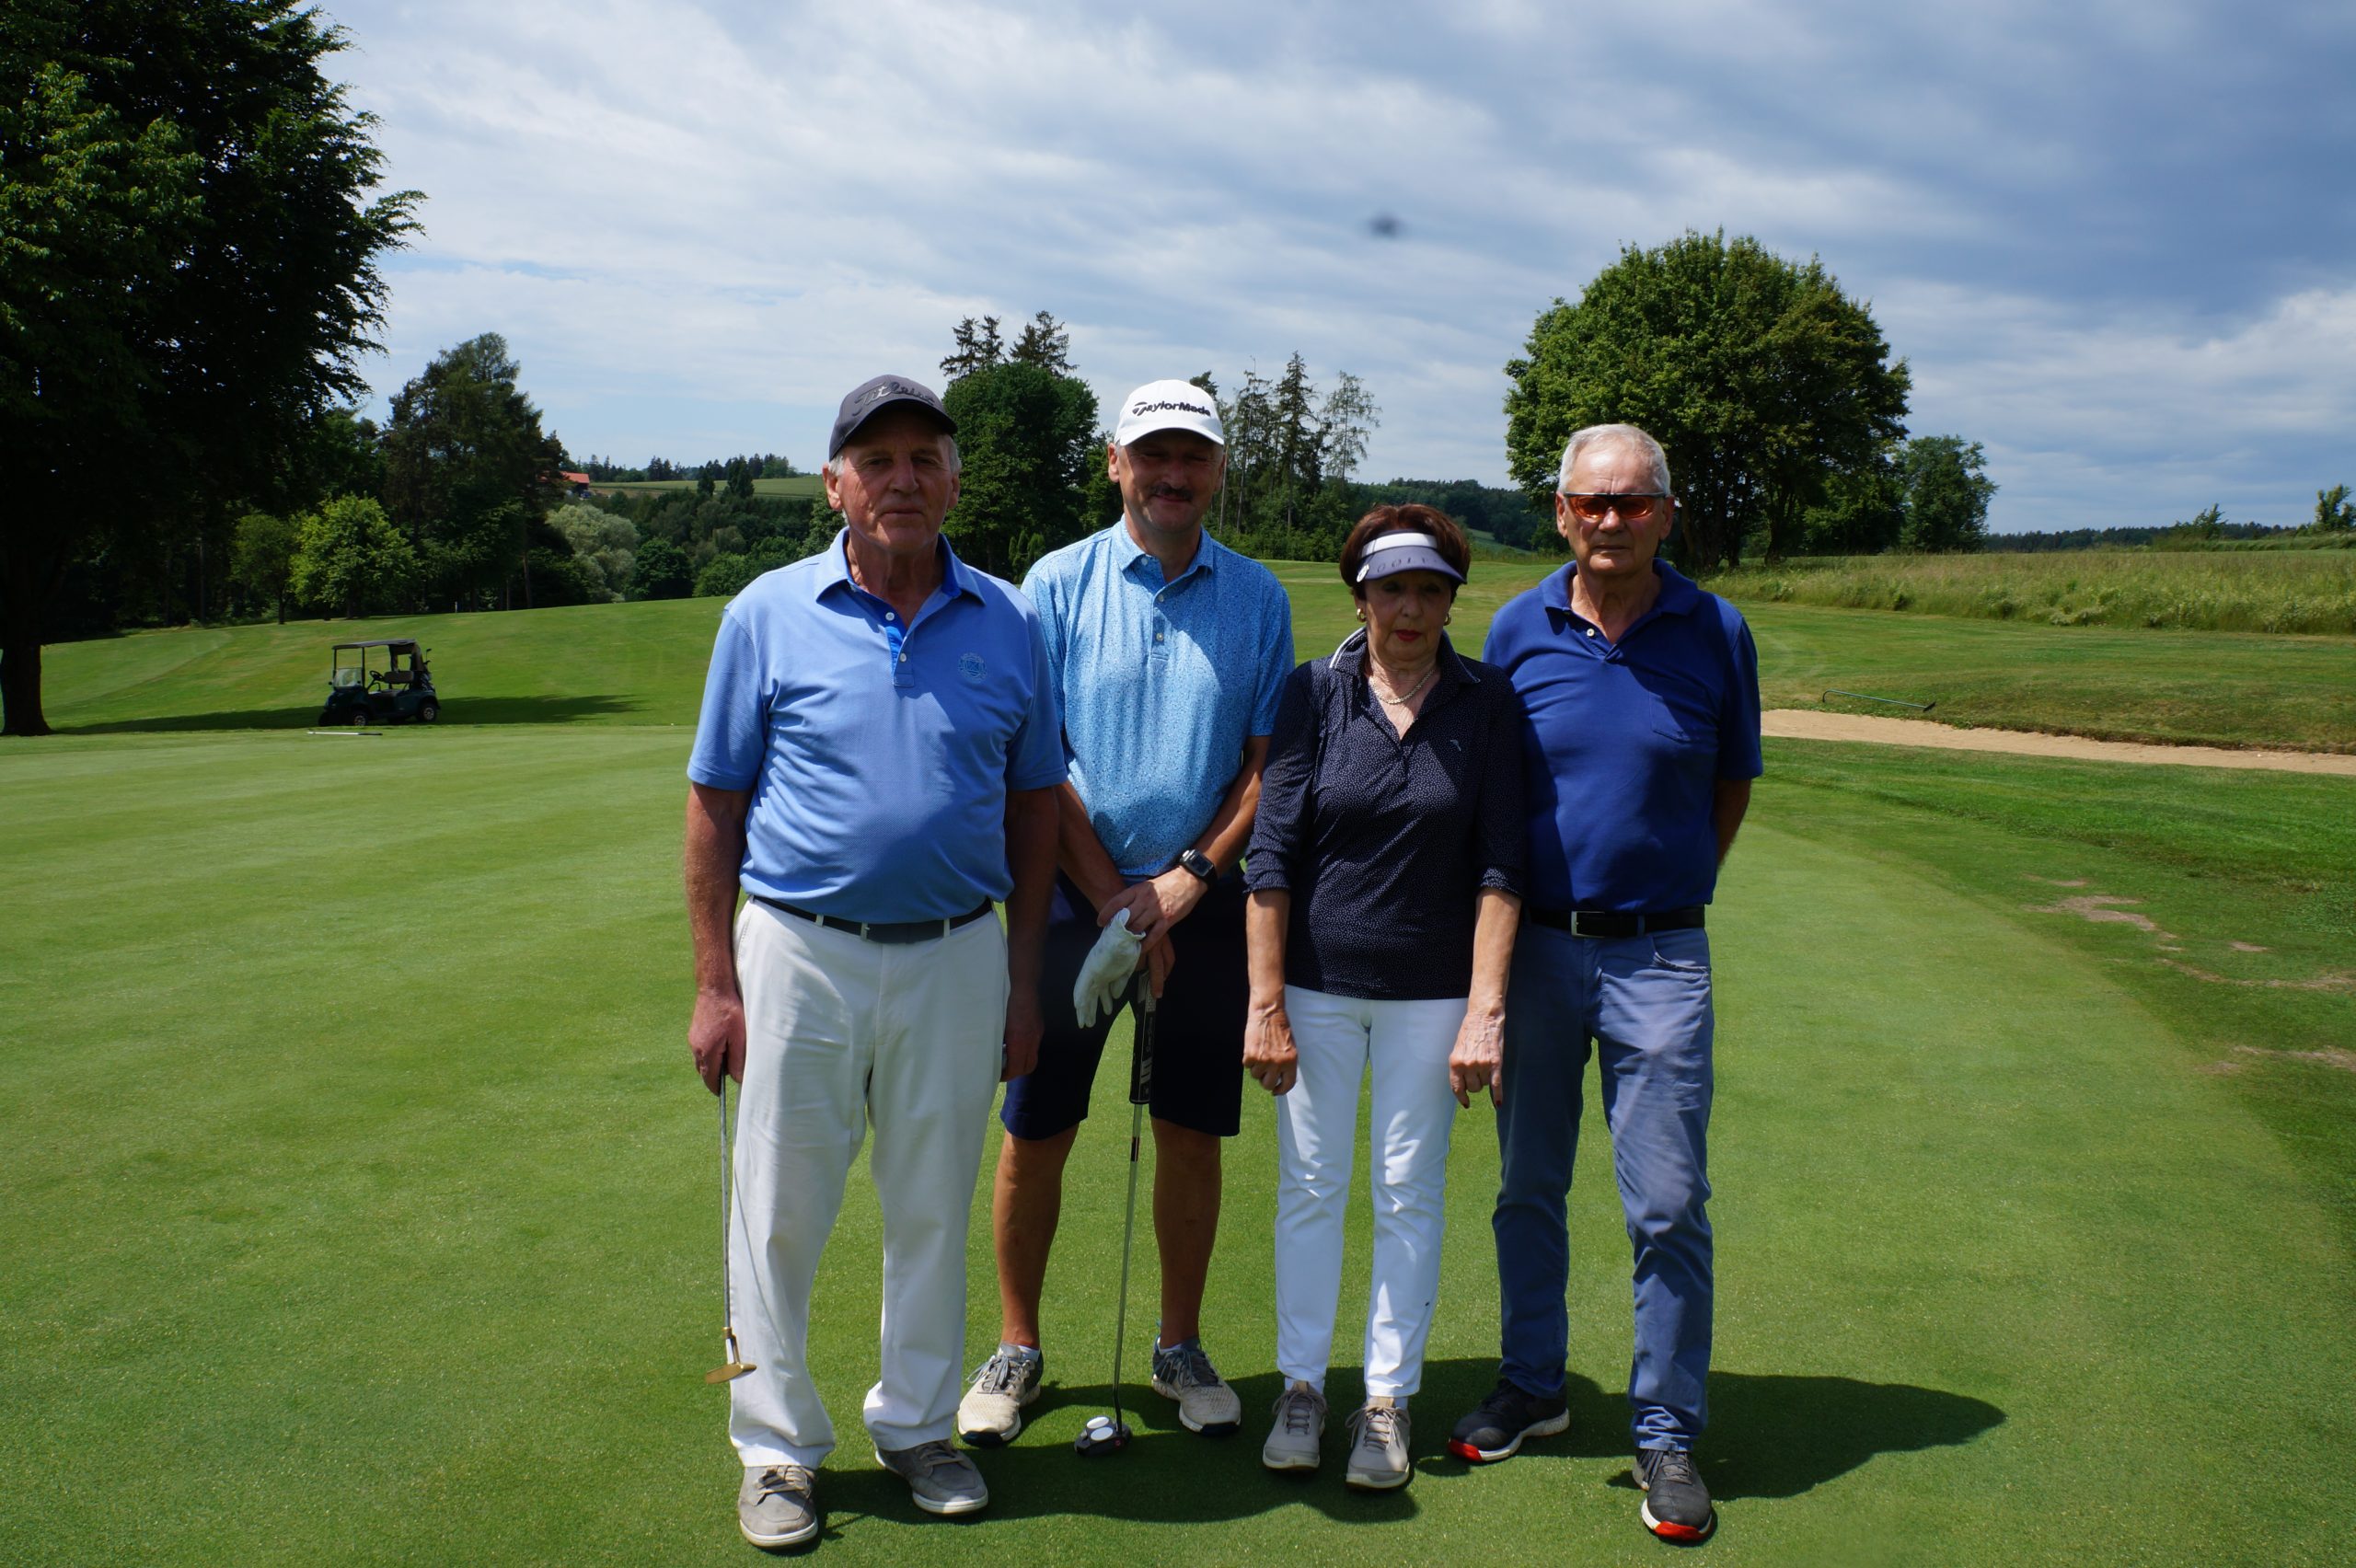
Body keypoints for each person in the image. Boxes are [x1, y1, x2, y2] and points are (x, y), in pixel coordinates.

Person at [683, 375, 1064, 1550]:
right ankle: (776, 1448)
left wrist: (1024, 981)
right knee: (778, 1211)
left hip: (956, 954)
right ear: (835, 484)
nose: (902, 479)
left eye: (924, 459)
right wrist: (715, 982)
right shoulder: (765, 613)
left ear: (953, 482)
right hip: (798, 950)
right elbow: (715, 804)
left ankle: (916, 1427)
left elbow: (1035, 809)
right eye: (877, 460)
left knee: (931, 1208)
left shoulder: (1008, 620)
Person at [957, 379, 1293, 1447]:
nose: (1172, 474)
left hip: (1203, 903)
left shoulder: (1257, 597)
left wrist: (1187, 880)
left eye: (1192, 455)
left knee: (1191, 1135)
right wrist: (1113, 897)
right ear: (1116, 464)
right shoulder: (1054, 584)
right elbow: (1037, 762)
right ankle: (1016, 1346)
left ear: (1218, 469)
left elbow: (1264, 763)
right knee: (1037, 1127)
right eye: (1153, 455)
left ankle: (1178, 1345)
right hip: (1069, 899)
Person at [1457, 422, 1761, 1543]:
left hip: (1660, 956)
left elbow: (1729, 781)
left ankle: (1666, 1430)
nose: (1611, 521)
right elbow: (1493, 801)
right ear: (1560, 511)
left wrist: (1671, 888)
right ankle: (1533, 1384)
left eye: (1633, 503)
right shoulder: (1515, 627)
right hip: (1537, 947)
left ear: (1665, 515)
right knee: (1527, 1185)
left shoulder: (1715, 629)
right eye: (1591, 502)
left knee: (1668, 1203)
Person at [1240, 506, 1526, 1490]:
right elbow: (1272, 853)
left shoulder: (1487, 702)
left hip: (1433, 993)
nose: (1410, 609)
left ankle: (1386, 1401)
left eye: (1429, 590)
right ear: (1359, 596)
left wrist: (1486, 1010)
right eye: (1391, 589)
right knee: (1311, 1188)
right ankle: (1301, 1389)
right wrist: (1264, 1004)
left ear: (1452, 600)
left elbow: (1501, 865)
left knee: (1408, 1192)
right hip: (1316, 986)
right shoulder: (1314, 692)